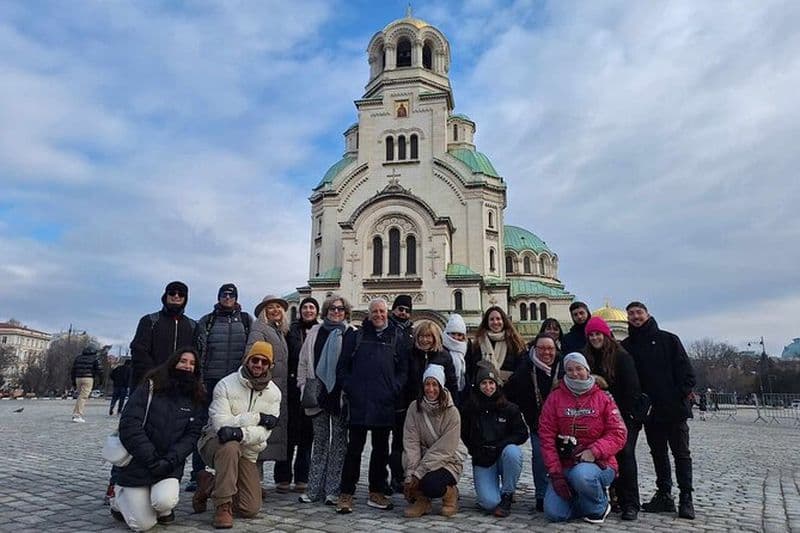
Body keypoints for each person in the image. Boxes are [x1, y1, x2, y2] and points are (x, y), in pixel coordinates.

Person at [110, 348, 205, 531]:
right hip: (138, 462)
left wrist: (171, 460)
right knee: (143, 524)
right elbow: (130, 425)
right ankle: (118, 500)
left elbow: (192, 436)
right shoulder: (150, 387)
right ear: (173, 362)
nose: (187, 366)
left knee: (164, 501)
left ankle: (162, 509)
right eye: (183, 361)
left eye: (192, 363)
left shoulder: (196, 397)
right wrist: (151, 458)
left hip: (168, 465)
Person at [193, 341, 281, 529]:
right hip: (214, 442)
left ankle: (208, 483)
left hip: (247, 450)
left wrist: (240, 432)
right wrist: (257, 417)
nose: (259, 365)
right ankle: (223, 505)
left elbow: (263, 434)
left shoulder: (274, 393)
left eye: (264, 362)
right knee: (230, 445)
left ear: (270, 365)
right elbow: (222, 426)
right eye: (255, 360)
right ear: (247, 360)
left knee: (250, 509)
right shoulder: (226, 384)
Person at [621, 301, 696, 519]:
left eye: (639, 312)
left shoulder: (668, 340)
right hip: (650, 412)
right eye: (631, 314)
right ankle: (664, 495)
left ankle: (686, 498)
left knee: (681, 454)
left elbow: (687, 374)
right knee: (658, 454)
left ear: (647, 314)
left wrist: (676, 396)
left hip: (674, 410)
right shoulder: (627, 345)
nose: (635, 317)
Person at [335, 298, 409, 514]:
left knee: (381, 450)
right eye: (375, 311)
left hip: (384, 401)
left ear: (387, 313)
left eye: (382, 311)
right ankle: (346, 493)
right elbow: (342, 367)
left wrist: (393, 388)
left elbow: (403, 370)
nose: (379, 315)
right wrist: (351, 387)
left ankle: (376, 491)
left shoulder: (396, 336)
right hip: (359, 402)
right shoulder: (356, 336)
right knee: (354, 450)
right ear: (369, 314)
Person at [539, 352, 628, 524]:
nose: (575, 373)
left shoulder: (603, 397)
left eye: (579, 368)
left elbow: (618, 433)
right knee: (554, 514)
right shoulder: (555, 397)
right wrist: (556, 473)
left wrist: (594, 451)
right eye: (569, 370)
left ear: (587, 370)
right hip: (566, 464)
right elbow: (546, 436)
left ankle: (599, 506)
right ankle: (581, 500)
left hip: (598, 464)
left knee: (581, 475)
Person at [189, 283, 253, 491]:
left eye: (231, 295)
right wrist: (198, 380)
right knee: (202, 426)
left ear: (236, 298)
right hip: (209, 381)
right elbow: (198, 352)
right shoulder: (207, 321)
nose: (227, 298)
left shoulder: (246, 320)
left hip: (235, 384)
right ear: (218, 297)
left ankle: (231, 474)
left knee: (235, 427)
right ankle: (198, 474)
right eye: (224, 295)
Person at [583, 316, 643, 520]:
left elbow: (632, 389)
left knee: (625, 455)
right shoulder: (586, 357)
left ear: (606, 335)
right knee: (606, 456)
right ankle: (614, 498)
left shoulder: (621, 357)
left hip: (623, 416)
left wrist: (620, 414)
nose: (595, 338)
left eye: (598, 334)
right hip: (598, 418)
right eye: (591, 335)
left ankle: (631, 503)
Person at [297, 295, 354, 505]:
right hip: (317, 393)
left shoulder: (350, 333)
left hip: (339, 395)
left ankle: (332, 490)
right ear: (326, 311)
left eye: (340, 309)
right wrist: (303, 386)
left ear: (346, 312)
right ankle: (313, 489)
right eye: (332, 309)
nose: (336, 312)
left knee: (339, 443)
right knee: (320, 441)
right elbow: (303, 361)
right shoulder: (315, 332)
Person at [461, 361, 528, 517]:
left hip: (503, 453)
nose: (488, 387)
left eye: (491, 383)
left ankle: (508, 494)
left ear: (496, 385)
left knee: (513, 452)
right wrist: (475, 450)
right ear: (478, 385)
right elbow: (464, 434)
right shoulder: (469, 408)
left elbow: (522, 433)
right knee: (489, 503)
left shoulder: (509, 408)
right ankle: (493, 491)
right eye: (484, 383)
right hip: (483, 458)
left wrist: (502, 445)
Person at [402, 364, 467, 518]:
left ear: (441, 387)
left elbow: (444, 450)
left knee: (430, 483)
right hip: (424, 456)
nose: (430, 389)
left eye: (435, 385)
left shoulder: (452, 412)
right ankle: (422, 501)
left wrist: (418, 473)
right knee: (401, 462)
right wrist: (410, 474)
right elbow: (411, 442)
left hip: (448, 460)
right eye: (427, 384)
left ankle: (450, 494)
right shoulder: (414, 408)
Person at [505, 333, 559, 512]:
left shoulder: (563, 366)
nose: (546, 352)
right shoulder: (526, 368)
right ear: (535, 349)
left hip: (563, 424)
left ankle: (563, 492)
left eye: (550, 348)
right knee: (540, 457)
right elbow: (510, 393)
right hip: (538, 423)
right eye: (542, 348)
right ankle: (541, 495)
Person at [246, 294, 290, 492]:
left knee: (264, 436)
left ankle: (256, 484)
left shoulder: (276, 330)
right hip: (262, 388)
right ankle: (253, 485)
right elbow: (253, 357)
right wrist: (260, 382)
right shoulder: (260, 328)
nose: (275, 310)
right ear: (264, 311)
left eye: (278, 307)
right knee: (257, 437)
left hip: (274, 389)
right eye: (271, 307)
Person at [280, 297, 319, 494]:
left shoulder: (320, 331)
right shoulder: (290, 331)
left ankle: (302, 477)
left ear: (317, 311)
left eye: (312, 307)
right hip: (291, 386)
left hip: (311, 387)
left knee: (307, 434)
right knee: (288, 433)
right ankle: (283, 477)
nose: (308, 310)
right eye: (305, 307)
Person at [130, 281, 196, 390]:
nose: (176, 296)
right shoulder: (150, 321)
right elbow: (139, 351)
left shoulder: (192, 326)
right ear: (166, 295)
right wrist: (155, 375)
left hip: (180, 385)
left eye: (181, 294)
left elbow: (195, 355)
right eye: (172, 293)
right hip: (151, 382)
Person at [387, 294, 414, 494]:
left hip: (405, 395)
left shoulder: (411, 333)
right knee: (381, 440)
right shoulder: (385, 330)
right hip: (386, 391)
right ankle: (380, 480)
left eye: (406, 310)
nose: (403, 313)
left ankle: (398, 477)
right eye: (400, 309)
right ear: (393, 309)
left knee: (401, 439)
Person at [467, 306, 526, 384]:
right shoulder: (478, 343)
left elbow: (521, 368)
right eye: (491, 319)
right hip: (486, 388)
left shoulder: (515, 342)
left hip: (510, 387)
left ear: (504, 321)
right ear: (487, 322)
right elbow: (473, 368)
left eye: (498, 319)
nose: (495, 322)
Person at [441, 314, 469, 407]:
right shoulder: (441, 350)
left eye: (459, 335)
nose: (456, 337)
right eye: (453, 333)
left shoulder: (466, 349)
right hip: (445, 394)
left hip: (462, 394)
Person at [71, 345, 101, 423]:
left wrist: (73, 382)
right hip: (88, 378)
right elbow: (99, 370)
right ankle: (77, 415)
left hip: (78, 378)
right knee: (83, 396)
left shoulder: (78, 358)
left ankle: (76, 413)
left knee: (80, 396)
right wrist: (100, 381)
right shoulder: (95, 358)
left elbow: (73, 370)